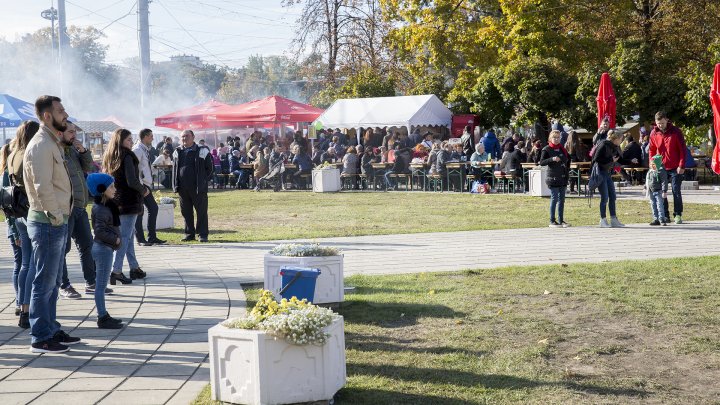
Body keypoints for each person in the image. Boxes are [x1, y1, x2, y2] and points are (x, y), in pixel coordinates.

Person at [24, 95, 80, 353]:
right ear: (47, 115)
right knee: (44, 282)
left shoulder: (52, 142)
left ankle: (51, 328)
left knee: (53, 282)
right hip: (48, 222)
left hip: (55, 220)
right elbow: (42, 187)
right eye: (60, 111)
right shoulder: (41, 145)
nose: (65, 114)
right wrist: (57, 215)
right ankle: (40, 336)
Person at [58, 122, 99, 299]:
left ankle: (91, 282)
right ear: (61, 133)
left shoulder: (73, 150)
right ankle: (64, 285)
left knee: (87, 246)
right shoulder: (56, 151)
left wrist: (83, 151)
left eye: (75, 131)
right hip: (66, 209)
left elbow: (88, 168)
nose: (74, 135)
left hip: (80, 207)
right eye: (71, 132)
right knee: (63, 249)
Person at [102, 128, 146, 284]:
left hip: (115, 200)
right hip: (128, 201)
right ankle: (116, 270)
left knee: (128, 235)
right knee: (125, 237)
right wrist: (144, 190)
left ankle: (134, 267)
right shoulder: (127, 155)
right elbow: (132, 181)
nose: (131, 142)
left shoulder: (110, 156)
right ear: (121, 141)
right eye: (128, 140)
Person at [7, 121, 40, 329]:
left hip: (17, 213)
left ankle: (21, 304)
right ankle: (27, 309)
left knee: (25, 263)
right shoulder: (29, 153)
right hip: (30, 211)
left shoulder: (12, 154)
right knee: (32, 265)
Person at [87, 173, 124, 329]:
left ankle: (104, 315)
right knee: (100, 286)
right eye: (111, 186)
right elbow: (100, 231)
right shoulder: (100, 208)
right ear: (102, 189)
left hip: (105, 248)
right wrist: (115, 239)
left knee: (101, 285)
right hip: (103, 249)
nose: (114, 189)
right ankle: (102, 317)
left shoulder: (106, 205)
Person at [173, 129, 214, 242]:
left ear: (193, 137)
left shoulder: (203, 150)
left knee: (201, 212)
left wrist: (203, 181)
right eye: (182, 137)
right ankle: (189, 234)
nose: (184, 138)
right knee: (186, 212)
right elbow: (175, 169)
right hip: (182, 188)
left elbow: (210, 169)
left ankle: (202, 234)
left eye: (187, 136)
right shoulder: (177, 151)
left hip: (198, 188)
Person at [649, 111, 687, 224]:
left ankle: (678, 214)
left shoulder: (676, 132)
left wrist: (681, 165)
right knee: (661, 192)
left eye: (662, 123)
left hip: (675, 167)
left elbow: (682, 150)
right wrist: (652, 164)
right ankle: (665, 215)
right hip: (660, 166)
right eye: (658, 123)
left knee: (676, 191)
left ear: (666, 120)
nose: (660, 125)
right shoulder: (653, 133)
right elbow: (651, 150)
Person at [592, 130, 635, 228]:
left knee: (613, 196)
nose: (621, 141)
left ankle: (613, 219)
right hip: (600, 172)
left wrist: (631, 161)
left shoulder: (614, 147)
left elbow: (619, 159)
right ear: (615, 139)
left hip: (607, 173)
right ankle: (602, 220)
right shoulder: (603, 144)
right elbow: (596, 159)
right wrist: (611, 160)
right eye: (620, 139)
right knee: (605, 197)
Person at [133, 128, 166, 246]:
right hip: (140, 186)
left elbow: (144, 168)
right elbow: (133, 170)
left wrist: (156, 166)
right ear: (145, 137)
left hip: (145, 184)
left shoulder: (144, 149)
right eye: (151, 136)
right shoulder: (137, 150)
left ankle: (151, 237)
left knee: (153, 208)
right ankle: (140, 239)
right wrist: (141, 187)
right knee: (140, 211)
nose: (152, 138)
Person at [1, 141, 22, 317]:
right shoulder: (7, 175)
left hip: (19, 225)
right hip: (15, 227)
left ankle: (22, 300)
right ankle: (19, 301)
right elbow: (8, 209)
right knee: (20, 264)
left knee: (23, 263)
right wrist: (15, 232)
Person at [539, 130, 570, 228]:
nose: (556, 139)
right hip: (552, 177)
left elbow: (567, 159)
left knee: (562, 199)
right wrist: (552, 159)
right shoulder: (546, 149)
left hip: (562, 176)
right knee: (554, 198)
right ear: (550, 138)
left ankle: (561, 220)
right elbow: (542, 162)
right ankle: (552, 220)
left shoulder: (562, 149)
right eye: (554, 137)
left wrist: (563, 160)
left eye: (558, 137)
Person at [646, 155, 669, 226]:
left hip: (659, 191)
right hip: (651, 191)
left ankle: (661, 218)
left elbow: (664, 182)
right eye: (651, 164)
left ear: (658, 164)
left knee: (660, 205)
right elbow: (648, 180)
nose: (652, 166)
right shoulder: (650, 171)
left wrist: (664, 191)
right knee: (653, 205)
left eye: (654, 164)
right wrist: (645, 187)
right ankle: (656, 219)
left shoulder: (661, 171)